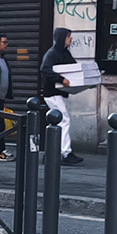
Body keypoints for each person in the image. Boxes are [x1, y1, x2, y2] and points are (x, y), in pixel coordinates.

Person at [39, 26, 86, 165]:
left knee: (59, 122)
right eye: (68, 36)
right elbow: (45, 70)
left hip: (60, 93)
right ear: (61, 38)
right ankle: (65, 153)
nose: (71, 39)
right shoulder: (52, 53)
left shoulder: (65, 53)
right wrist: (61, 80)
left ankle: (51, 153)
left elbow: (74, 68)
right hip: (52, 93)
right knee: (64, 120)